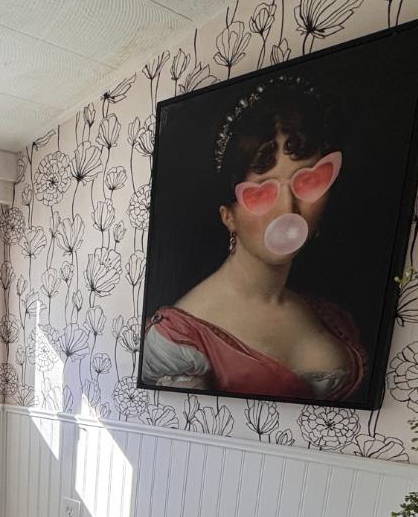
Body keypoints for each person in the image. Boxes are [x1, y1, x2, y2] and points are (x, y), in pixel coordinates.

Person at [141, 76, 366, 401]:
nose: (288, 209)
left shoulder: (327, 314)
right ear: (228, 216)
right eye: (262, 192)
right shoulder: (181, 335)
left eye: (309, 181)